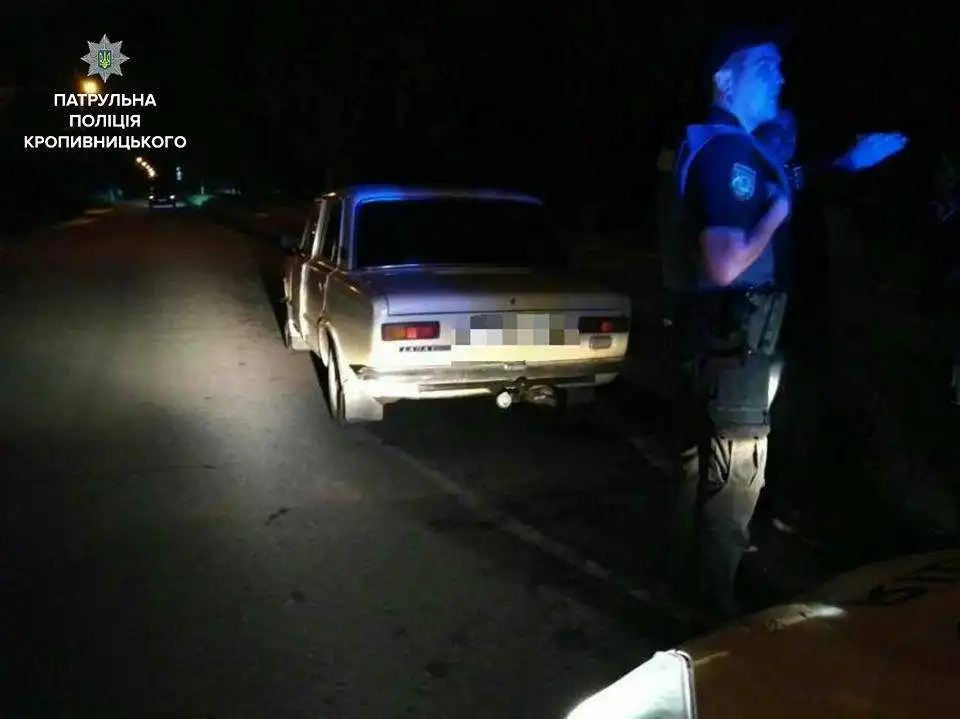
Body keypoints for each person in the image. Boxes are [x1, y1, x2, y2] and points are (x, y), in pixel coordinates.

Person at [658, 27, 907, 621]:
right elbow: (724, 263)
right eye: (765, 65)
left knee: (699, 463)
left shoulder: (726, 147)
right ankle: (715, 608)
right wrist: (776, 215)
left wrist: (845, 163)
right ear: (725, 79)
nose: (781, 76)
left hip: (710, 335)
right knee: (738, 470)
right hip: (735, 339)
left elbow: (792, 175)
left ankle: (684, 580)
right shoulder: (728, 152)